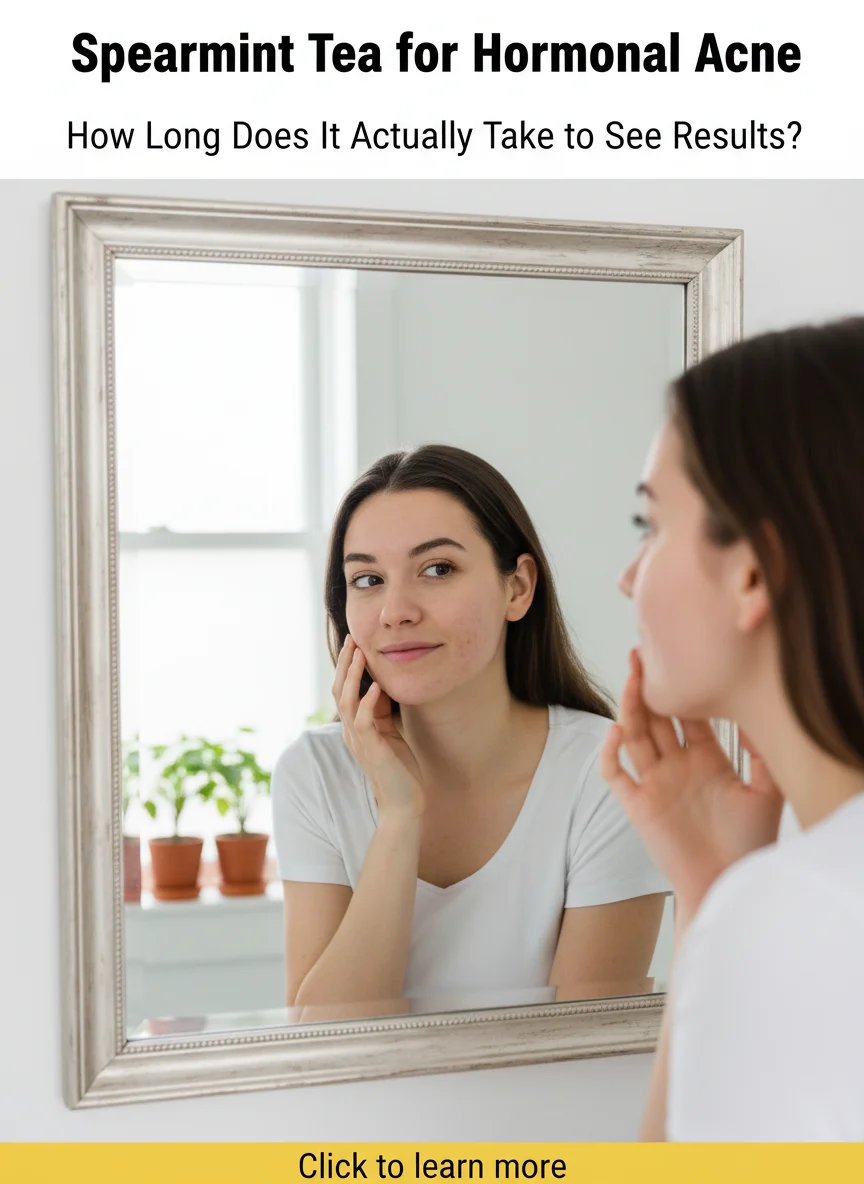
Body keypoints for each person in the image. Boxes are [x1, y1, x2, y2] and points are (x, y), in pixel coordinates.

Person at [272, 444, 668, 1014]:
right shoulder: (315, 774)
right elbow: (323, 1040)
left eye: (438, 569)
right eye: (367, 579)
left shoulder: (607, 772)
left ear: (518, 587)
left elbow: (579, 1047)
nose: (395, 610)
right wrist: (399, 817)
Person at [600, 316, 864, 1141]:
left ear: (753, 570)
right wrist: (714, 890)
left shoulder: (798, 915)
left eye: (650, 527)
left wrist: (732, 911)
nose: (628, 577)